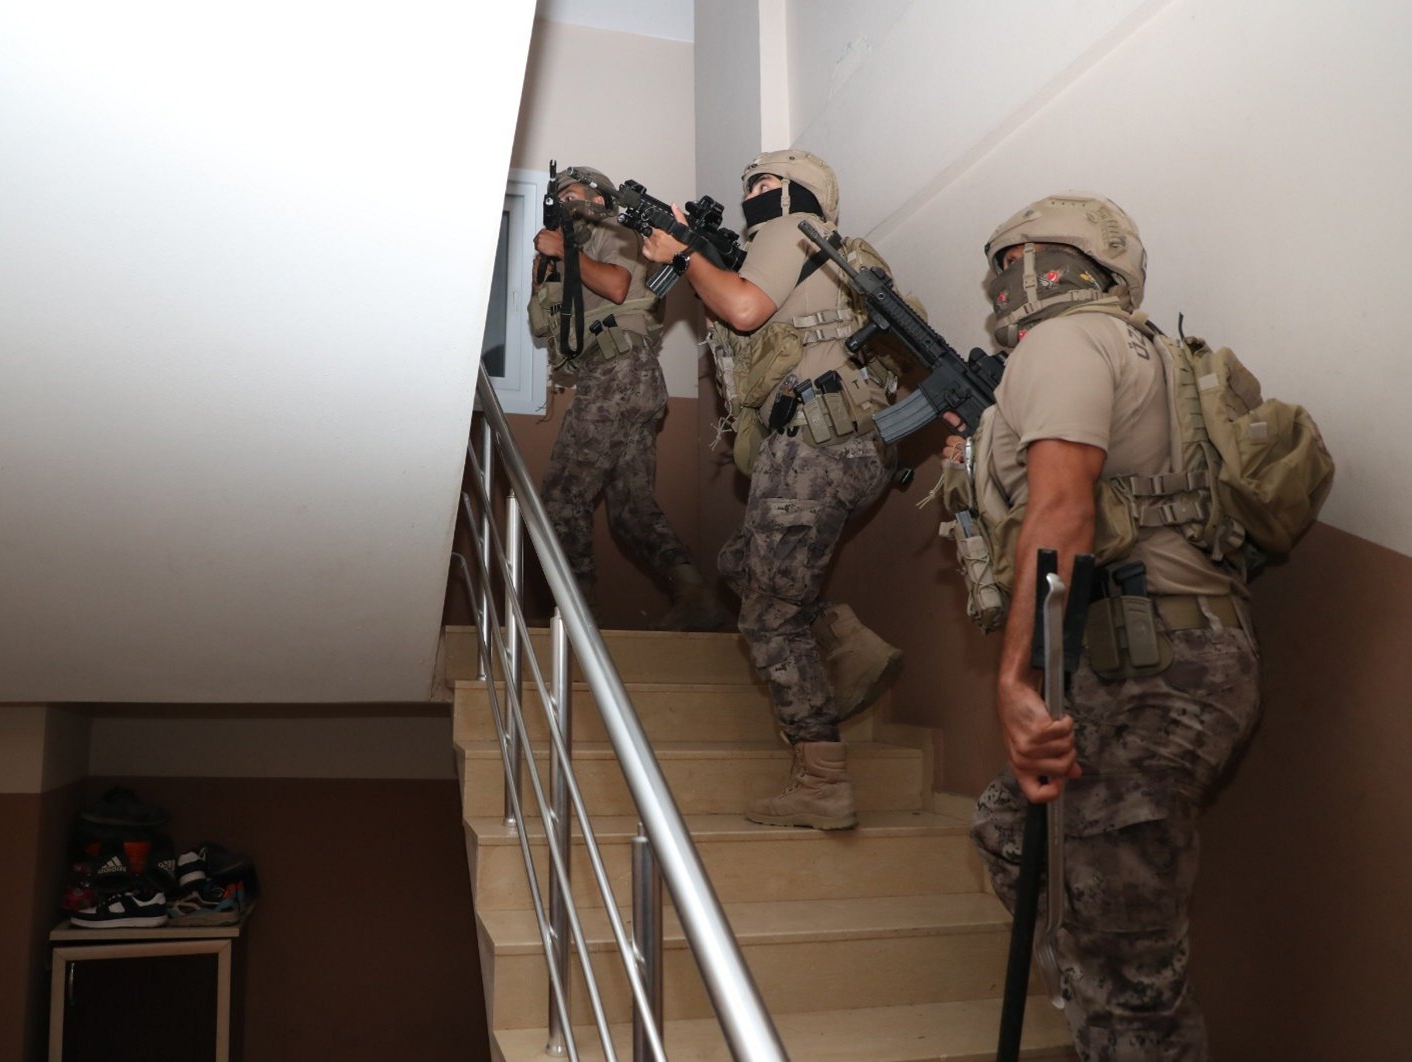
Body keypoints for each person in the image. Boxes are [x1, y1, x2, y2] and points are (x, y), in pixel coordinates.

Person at [951, 193, 1261, 1058]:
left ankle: (1115, 1018)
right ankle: (1096, 1009)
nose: (1005, 283)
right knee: (1012, 835)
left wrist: (1012, 679)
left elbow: (1062, 510)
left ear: (1044, 261)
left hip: (1153, 669)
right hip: (1156, 656)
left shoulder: (1064, 339)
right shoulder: (1144, 346)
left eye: (1010, 263)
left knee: (1132, 965)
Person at [640, 150, 903, 830]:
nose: (753, 193)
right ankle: (848, 641)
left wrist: (686, 257)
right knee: (739, 565)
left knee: (767, 615)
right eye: (749, 185)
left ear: (801, 193)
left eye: (765, 183)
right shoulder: (824, 252)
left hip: (817, 441)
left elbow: (746, 308)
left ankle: (821, 780)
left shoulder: (792, 230)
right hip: (848, 444)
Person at [529, 165, 727, 631]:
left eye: (574, 194)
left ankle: (579, 619)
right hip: (626, 378)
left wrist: (564, 248)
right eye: (560, 197)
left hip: (620, 374)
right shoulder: (575, 245)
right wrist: (550, 268)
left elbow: (617, 286)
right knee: (631, 509)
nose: (566, 203)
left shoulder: (615, 228)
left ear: (599, 198)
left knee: (560, 499)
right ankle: (696, 597)